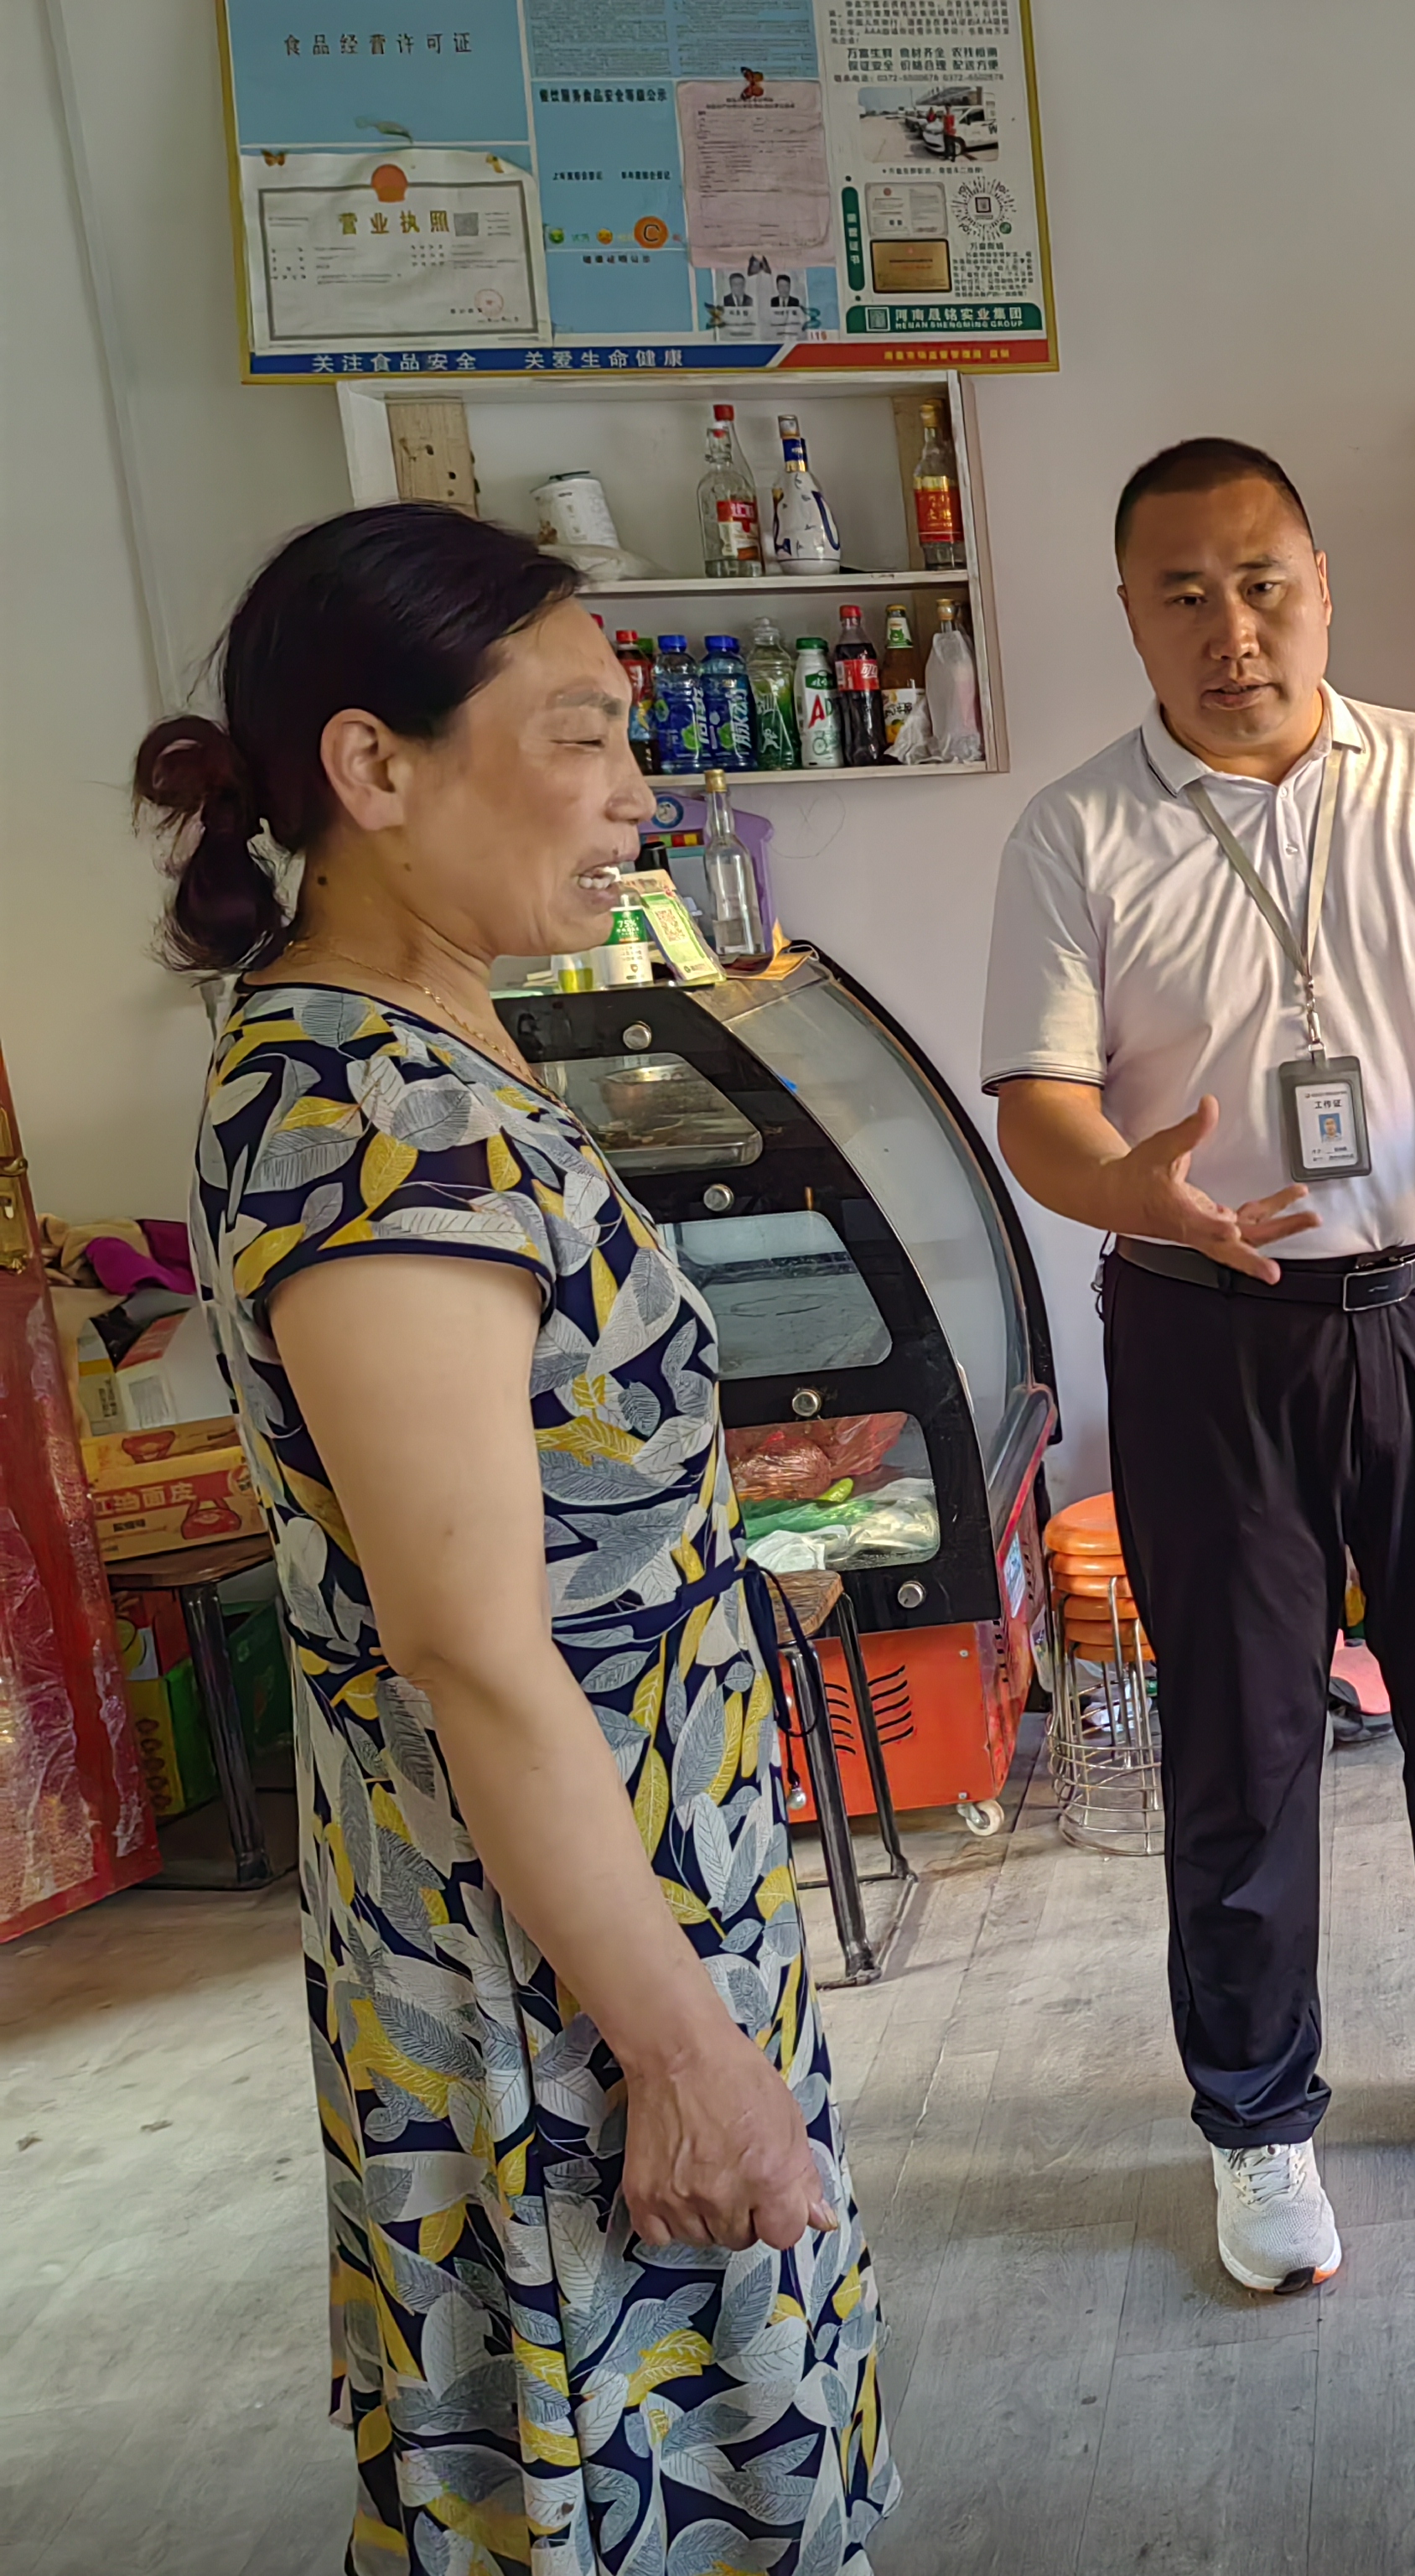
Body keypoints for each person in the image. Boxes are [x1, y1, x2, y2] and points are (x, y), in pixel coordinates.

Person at [144, 504, 895, 2570]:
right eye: (576, 733)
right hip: (554, 1986)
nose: (635, 790)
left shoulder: (425, 1047)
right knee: (636, 2483)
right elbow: (473, 1638)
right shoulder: (379, 1120)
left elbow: (526, 1497)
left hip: (619, 1897)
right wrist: (684, 2058)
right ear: (374, 770)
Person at [981, 436, 1415, 2298]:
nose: (1231, 628)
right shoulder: (1074, 830)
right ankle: (1259, 2121)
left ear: (1320, 582)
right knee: (1242, 1737)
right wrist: (1112, 1183)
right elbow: (1037, 1103)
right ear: (1128, 614)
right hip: (1209, 1329)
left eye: (1261, 579)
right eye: (1182, 593)